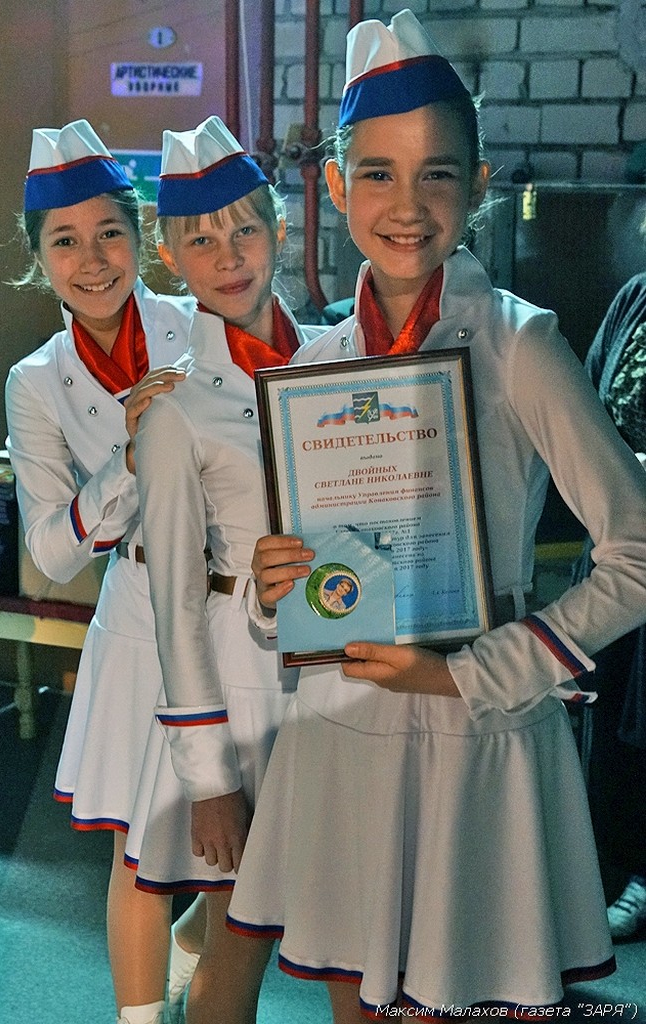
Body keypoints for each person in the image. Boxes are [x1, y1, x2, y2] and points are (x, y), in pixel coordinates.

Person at [226, 11, 646, 1021]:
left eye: (437, 174)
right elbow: (295, 587)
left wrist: (469, 672)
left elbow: (636, 555)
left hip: (475, 728)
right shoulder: (317, 363)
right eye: (377, 173)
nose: (406, 205)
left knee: (451, 999)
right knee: (351, 989)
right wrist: (266, 594)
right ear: (335, 187)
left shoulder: (518, 344)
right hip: (340, 728)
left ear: (479, 184)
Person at [4, 119, 206, 1024]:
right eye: (64, 241)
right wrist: (130, 456)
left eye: (109, 233)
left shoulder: (200, 324)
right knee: (142, 846)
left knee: (254, 837)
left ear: (142, 236)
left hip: (239, 604)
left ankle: (195, 943)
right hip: (136, 615)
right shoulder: (35, 381)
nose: (91, 261)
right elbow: (52, 554)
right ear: (37, 257)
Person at [130, 117, 324, 1024]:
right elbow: (173, 603)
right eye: (200, 240)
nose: (228, 255)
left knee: (330, 922)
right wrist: (209, 778)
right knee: (239, 932)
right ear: (169, 256)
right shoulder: (175, 409)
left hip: (343, 676)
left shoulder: (338, 357)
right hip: (240, 688)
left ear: (279, 228)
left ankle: (185, 953)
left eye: (245, 227)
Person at [572, 263, 646, 941]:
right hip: (615, 542)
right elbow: (589, 407)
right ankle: (614, 865)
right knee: (611, 711)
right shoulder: (636, 296)